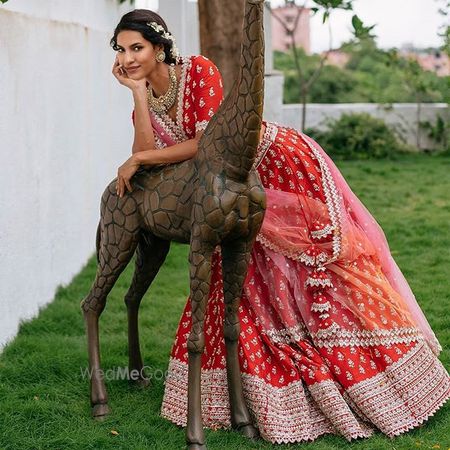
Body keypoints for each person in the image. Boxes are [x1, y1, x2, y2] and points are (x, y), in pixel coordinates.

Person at [110, 9, 450, 444]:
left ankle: (374, 374)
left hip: (273, 163)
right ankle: (265, 387)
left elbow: (206, 145)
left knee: (315, 267)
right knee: (243, 277)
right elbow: (145, 152)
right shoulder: (146, 96)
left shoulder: (198, 72)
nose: (129, 57)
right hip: (222, 188)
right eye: (121, 49)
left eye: (137, 47)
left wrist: (140, 159)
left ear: (160, 47)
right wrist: (137, 95)